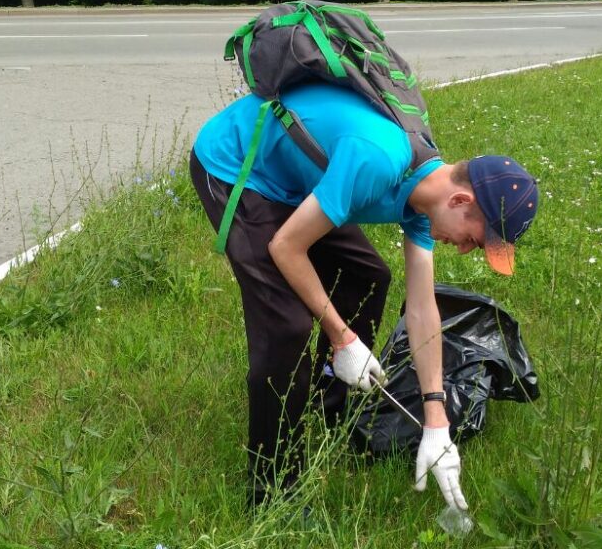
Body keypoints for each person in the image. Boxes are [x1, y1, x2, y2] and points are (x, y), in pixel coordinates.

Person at [189, 81, 539, 510]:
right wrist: (342, 337)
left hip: (298, 179)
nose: (467, 249)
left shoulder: (429, 194)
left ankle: (327, 406)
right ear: (462, 199)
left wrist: (436, 420)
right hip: (239, 165)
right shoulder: (379, 161)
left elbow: (423, 309)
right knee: (289, 327)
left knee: (368, 276)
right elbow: (285, 247)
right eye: (475, 239)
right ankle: (273, 492)